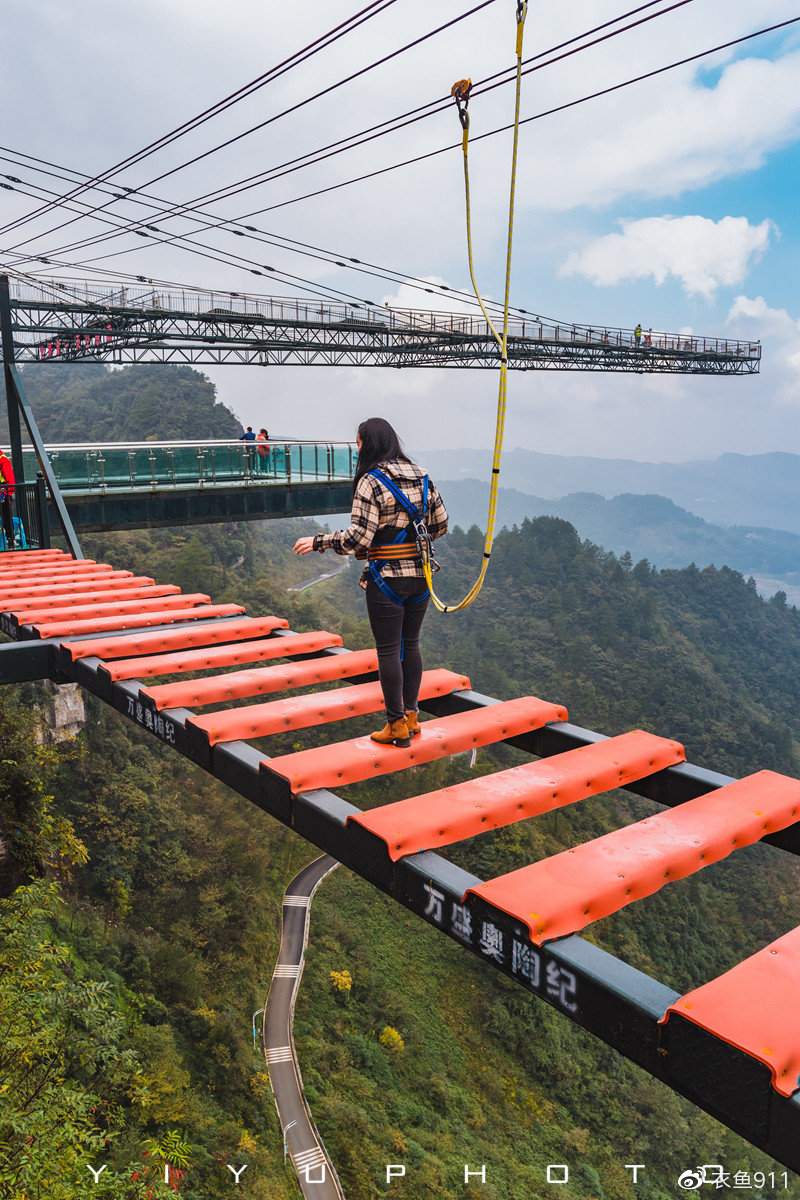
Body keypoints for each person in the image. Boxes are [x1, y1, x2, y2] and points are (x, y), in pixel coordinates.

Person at [294, 417, 448, 748]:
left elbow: (358, 538)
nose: (357, 450)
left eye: (359, 443)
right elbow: (440, 526)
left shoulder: (371, 481)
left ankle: (395, 725)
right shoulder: (422, 476)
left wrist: (319, 541)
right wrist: (407, 539)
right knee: (411, 644)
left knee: (389, 649)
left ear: (370, 444)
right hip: (421, 577)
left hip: (387, 579)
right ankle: (412, 717)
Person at [0, 449, 16, 550]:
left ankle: (10, 541)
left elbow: (10, 481)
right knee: (6, 517)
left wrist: (5, 494)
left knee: (7, 517)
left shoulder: (3, 459)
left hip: (2, 493)